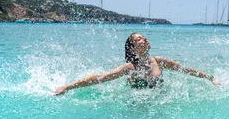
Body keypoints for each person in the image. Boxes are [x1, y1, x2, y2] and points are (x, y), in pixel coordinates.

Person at [54, 33, 220, 95]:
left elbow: (185, 70)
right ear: (132, 50)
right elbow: (100, 78)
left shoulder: (159, 61)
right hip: (136, 105)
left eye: (144, 37)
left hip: (158, 101)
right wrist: (67, 87)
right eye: (138, 39)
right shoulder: (129, 68)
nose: (144, 39)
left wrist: (210, 78)